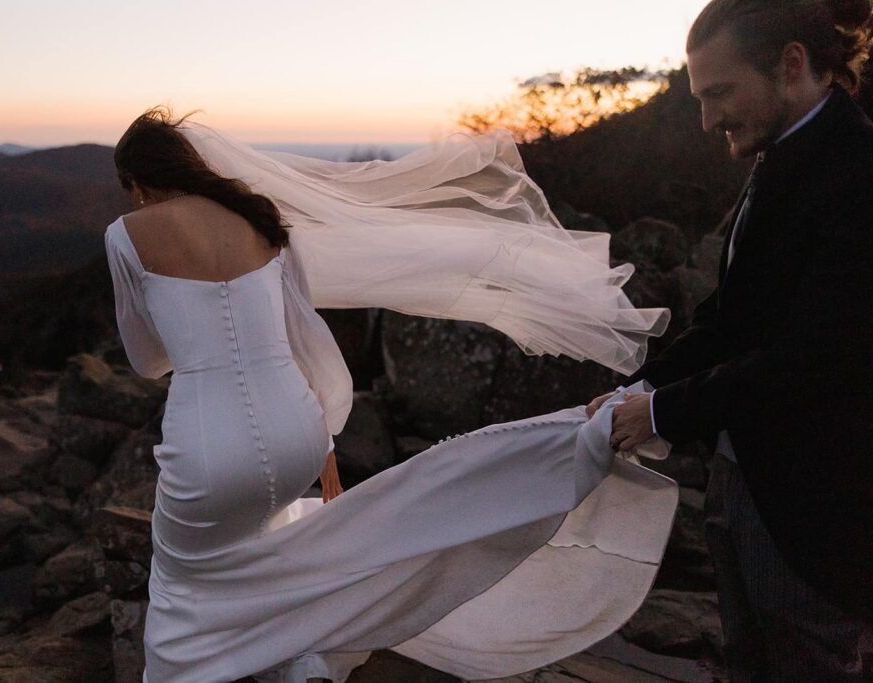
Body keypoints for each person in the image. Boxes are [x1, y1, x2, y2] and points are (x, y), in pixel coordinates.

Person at [105, 109, 678, 682]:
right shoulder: (259, 218)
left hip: (212, 449)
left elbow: (147, 359)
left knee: (180, 582)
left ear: (138, 182)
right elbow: (306, 337)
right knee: (270, 550)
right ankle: (300, 664)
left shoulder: (127, 235)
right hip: (297, 432)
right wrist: (323, 438)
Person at [591, 0, 873, 678]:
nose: (707, 118)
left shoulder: (857, 174)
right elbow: (730, 317)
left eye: (718, 93)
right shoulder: (781, 154)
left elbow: (812, 361)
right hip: (740, 492)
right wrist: (642, 386)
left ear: (792, 65)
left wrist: (661, 414)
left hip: (815, 525)